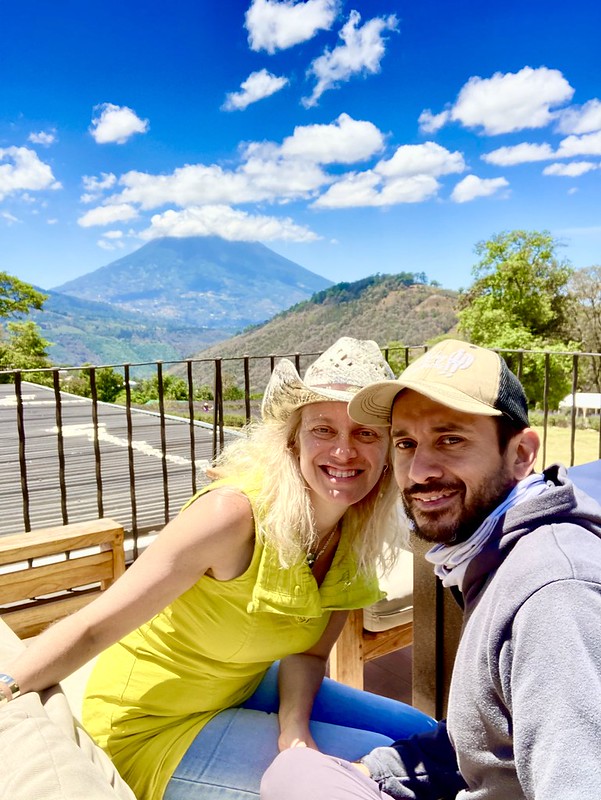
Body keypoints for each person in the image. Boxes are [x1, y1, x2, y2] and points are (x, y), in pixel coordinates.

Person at [0, 337, 435, 800]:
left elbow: (308, 656)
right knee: (388, 769)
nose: (344, 451)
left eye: (366, 432)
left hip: (238, 687)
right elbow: (93, 626)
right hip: (153, 724)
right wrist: (9, 685)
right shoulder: (232, 515)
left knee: (422, 733)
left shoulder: (355, 530)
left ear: (390, 449)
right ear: (293, 440)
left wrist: (294, 732)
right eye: (323, 429)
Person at [261, 338, 601, 800]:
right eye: (406, 443)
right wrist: (373, 771)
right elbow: (485, 740)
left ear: (520, 454)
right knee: (298, 772)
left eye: (451, 439)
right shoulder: (492, 553)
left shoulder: (552, 595)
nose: (419, 471)